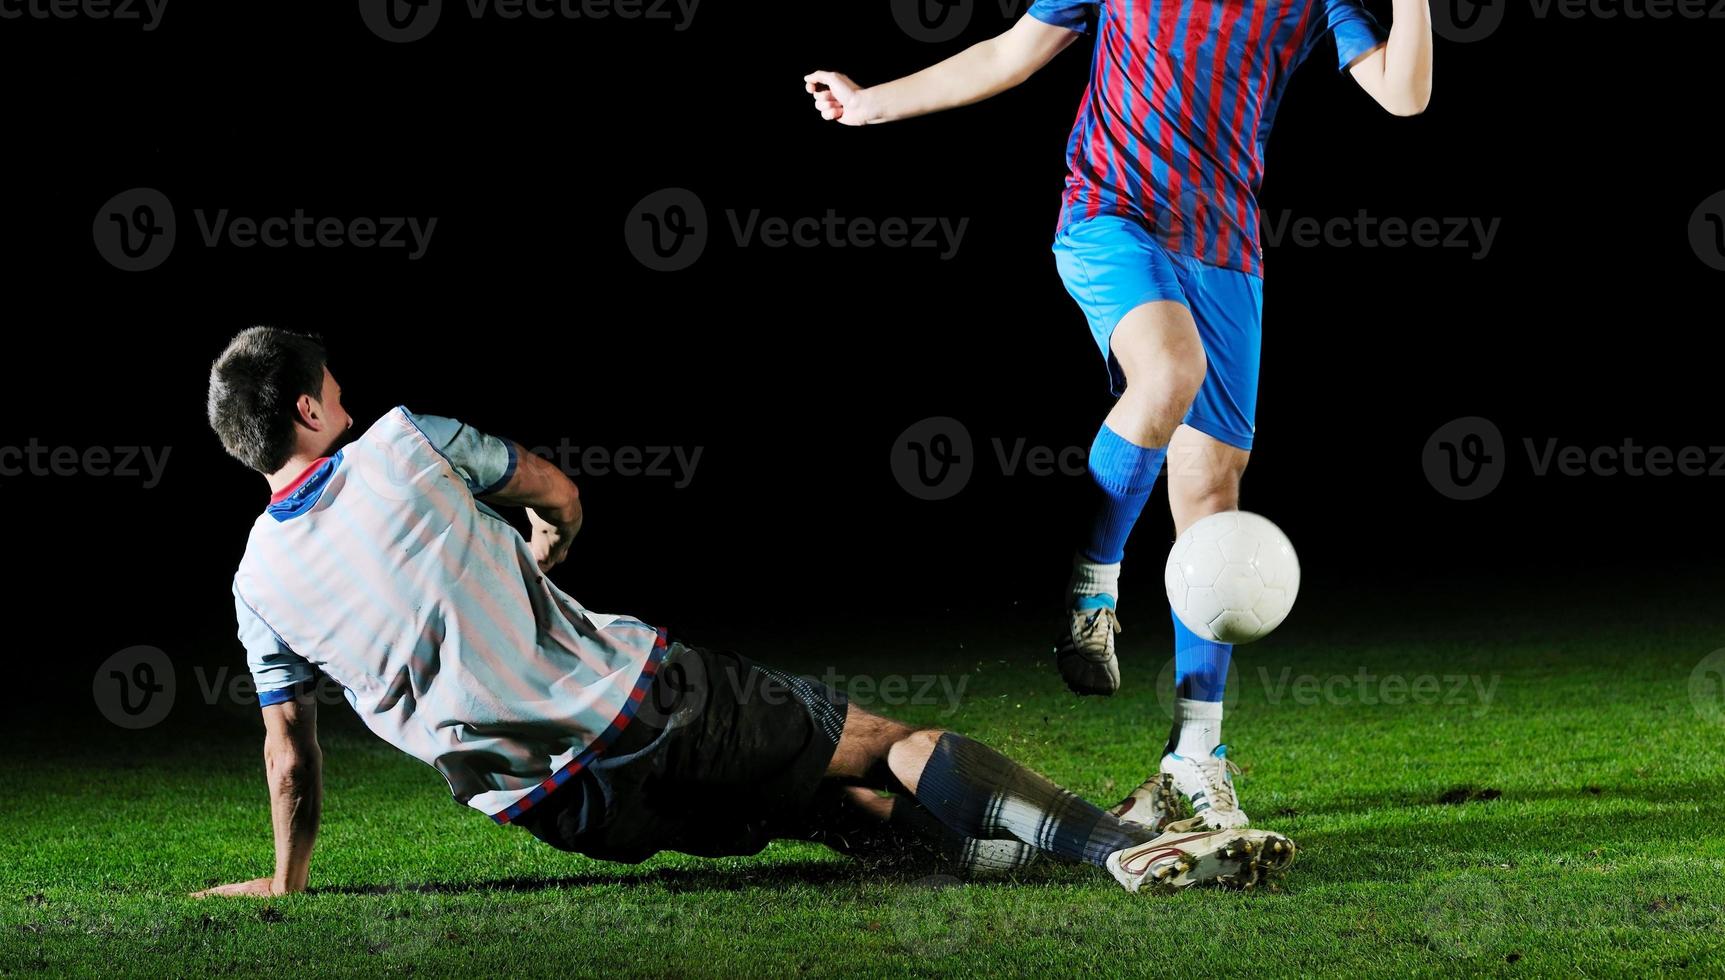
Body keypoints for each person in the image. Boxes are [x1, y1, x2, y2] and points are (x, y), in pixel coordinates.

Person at [187, 326, 1295, 900]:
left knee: (819, 803)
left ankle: (1018, 863)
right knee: (884, 741)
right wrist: (544, 547)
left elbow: (289, 752)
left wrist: (284, 880)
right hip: (639, 698)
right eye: (332, 379)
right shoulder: (400, 441)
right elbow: (560, 494)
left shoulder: (255, 581)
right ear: (310, 404)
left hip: (554, 810)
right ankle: (1118, 848)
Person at [802, 0, 1431, 828]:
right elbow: (1008, 56)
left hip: (1226, 249)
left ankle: (1194, 757)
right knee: (1169, 370)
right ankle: (1091, 592)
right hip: (1112, 213)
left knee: (1210, 488)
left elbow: (1402, 94)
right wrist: (871, 100)